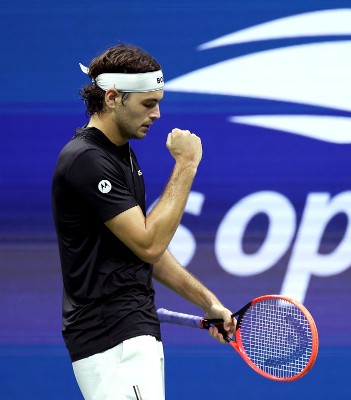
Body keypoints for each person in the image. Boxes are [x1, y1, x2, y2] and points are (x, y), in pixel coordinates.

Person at [52, 44, 235, 400]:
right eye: (148, 103)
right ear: (112, 97)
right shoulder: (86, 160)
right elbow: (149, 242)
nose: (158, 114)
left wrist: (207, 302)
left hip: (128, 334)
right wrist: (186, 166)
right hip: (111, 339)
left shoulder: (119, 156)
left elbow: (146, 252)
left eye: (158, 102)